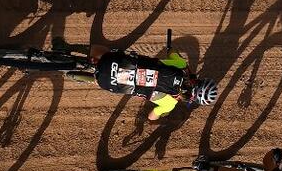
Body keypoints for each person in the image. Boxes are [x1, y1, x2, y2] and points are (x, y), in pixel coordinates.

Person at [54, 38, 218, 120]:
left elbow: (171, 53)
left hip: (115, 62)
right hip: (111, 83)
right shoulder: (170, 103)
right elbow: (151, 117)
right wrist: (162, 113)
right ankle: (69, 74)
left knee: (100, 50)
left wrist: (170, 48)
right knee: (98, 81)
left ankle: (66, 47)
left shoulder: (181, 66)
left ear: (198, 80)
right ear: (192, 99)